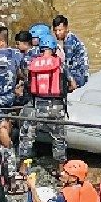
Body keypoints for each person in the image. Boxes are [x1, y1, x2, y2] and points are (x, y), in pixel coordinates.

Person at [17, 33, 69, 170]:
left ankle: (22, 169)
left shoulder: (33, 63)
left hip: (37, 105)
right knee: (59, 139)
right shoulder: (60, 64)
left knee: (26, 137)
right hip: (56, 107)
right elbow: (71, 85)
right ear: (53, 48)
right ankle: (61, 170)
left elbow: (27, 83)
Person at [0, 26, 24, 146]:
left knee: (0, 126)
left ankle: (8, 150)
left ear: (1, 40)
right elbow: (21, 73)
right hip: (10, 97)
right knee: (6, 122)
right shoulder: (16, 54)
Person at [52, 15, 90, 92]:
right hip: (82, 73)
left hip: (78, 77)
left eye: (60, 30)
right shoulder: (71, 37)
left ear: (66, 28)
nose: (57, 33)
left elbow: (67, 65)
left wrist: (72, 82)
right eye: (55, 30)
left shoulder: (69, 43)